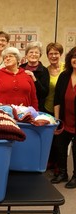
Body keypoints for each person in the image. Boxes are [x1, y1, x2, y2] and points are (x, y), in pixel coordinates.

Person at [50, 46, 76, 189]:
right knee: (60, 147)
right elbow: (57, 100)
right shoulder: (64, 76)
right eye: (73, 57)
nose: (75, 60)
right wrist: (57, 120)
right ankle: (62, 173)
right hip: (65, 120)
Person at [45, 42, 65, 173]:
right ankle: (51, 161)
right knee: (50, 136)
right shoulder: (46, 70)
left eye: (56, 53)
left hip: (64, 107)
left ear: (60, 54)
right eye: (50, 53)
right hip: (48, 107)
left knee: (61, 137)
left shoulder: (66, 68)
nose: (53, 56)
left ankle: (60, 163)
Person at [20, 41, 49, 112]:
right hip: (21, 107)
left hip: (37, 108)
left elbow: (44, 93)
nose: (34, 54)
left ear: (40, 55)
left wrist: (34, 79)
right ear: (26, 55)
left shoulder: (44, 70)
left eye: (36, 52)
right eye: (31, 52)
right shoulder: (20, 68)